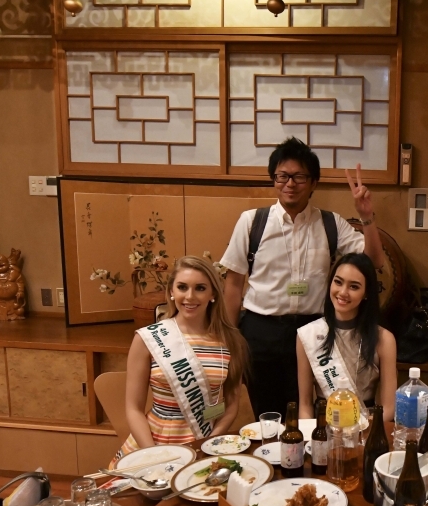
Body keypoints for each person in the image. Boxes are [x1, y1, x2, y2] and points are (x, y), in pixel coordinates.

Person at [220, 137, 385, 418]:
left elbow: (374, 261)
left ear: (313, 182)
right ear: (274, 179)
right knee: (267, 414)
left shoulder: (331, 223)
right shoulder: (252, 221)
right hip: (261, 332)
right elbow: (234, 286)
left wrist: (366, 216)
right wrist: (229, 338)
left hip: (314, 331)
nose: (290, 183)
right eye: (282, 176)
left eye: (299, 177)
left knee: (310, 412)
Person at [114, 256, 249, 462]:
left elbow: (231, 406)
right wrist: (154, 456)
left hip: (202, 443)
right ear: (171, 291)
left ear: (213, 293)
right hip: (153, 446)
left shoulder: (231, 342)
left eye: (200, 288)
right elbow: (133, 409)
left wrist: (207, 445)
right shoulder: (147, 339)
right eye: (182, 287)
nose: (190, 296)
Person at [296, 253, 397, 421]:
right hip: (324, 424)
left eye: (354, 287)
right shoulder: (308, 334)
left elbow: (389, 408)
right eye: (338, 282)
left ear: (366, 293)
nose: (343, 292)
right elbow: (305, 405)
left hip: (366, 423)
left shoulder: (384, 339)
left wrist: (362, 429)